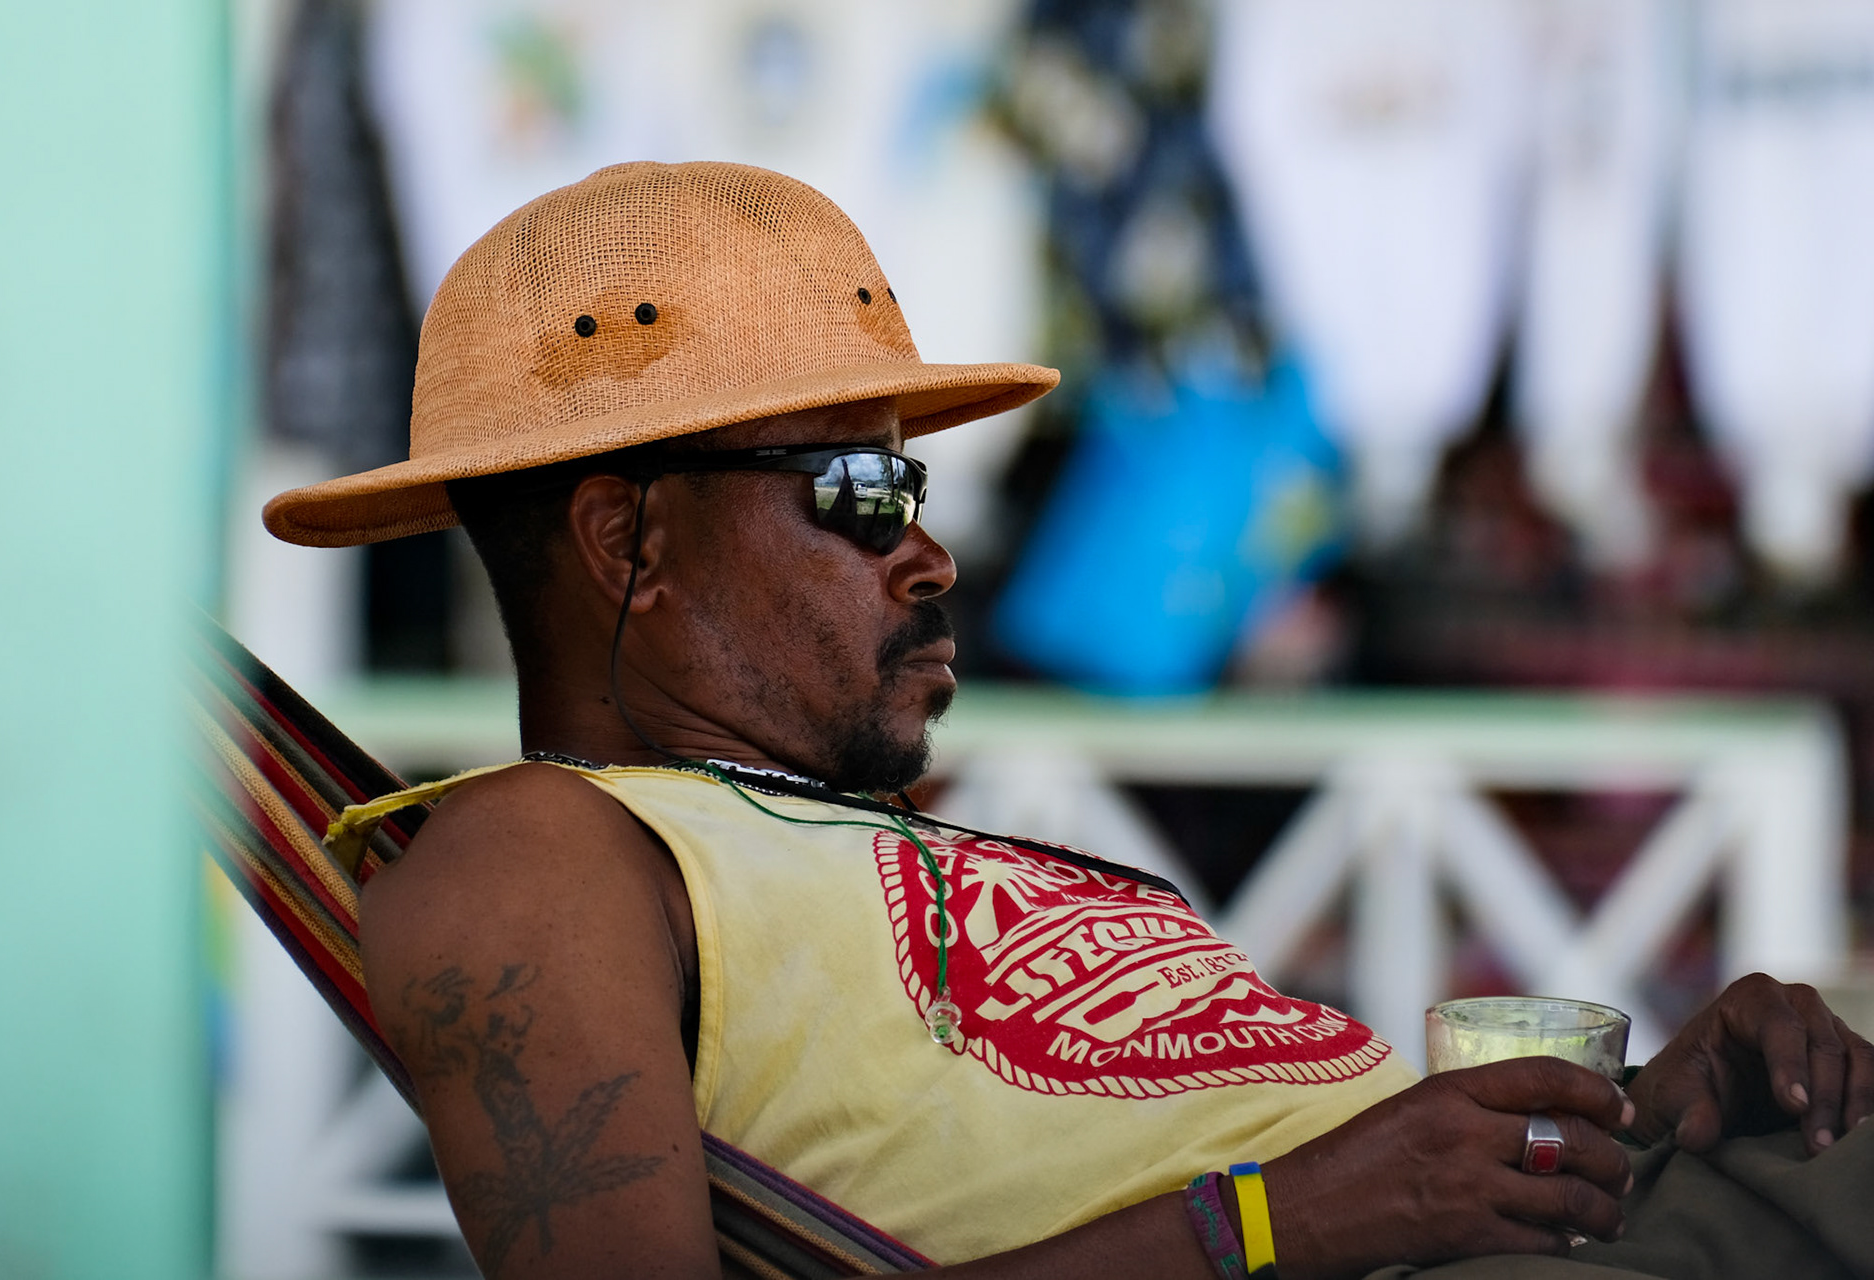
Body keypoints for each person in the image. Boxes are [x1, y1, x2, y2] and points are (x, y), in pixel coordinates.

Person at [265, 162, 1874, 1279]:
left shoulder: (859, 851)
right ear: (629, 543)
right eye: (859, 488)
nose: (930, 551)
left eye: (915, 484)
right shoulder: (543, 856)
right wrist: (1274, 1223)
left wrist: (1645, 1123)